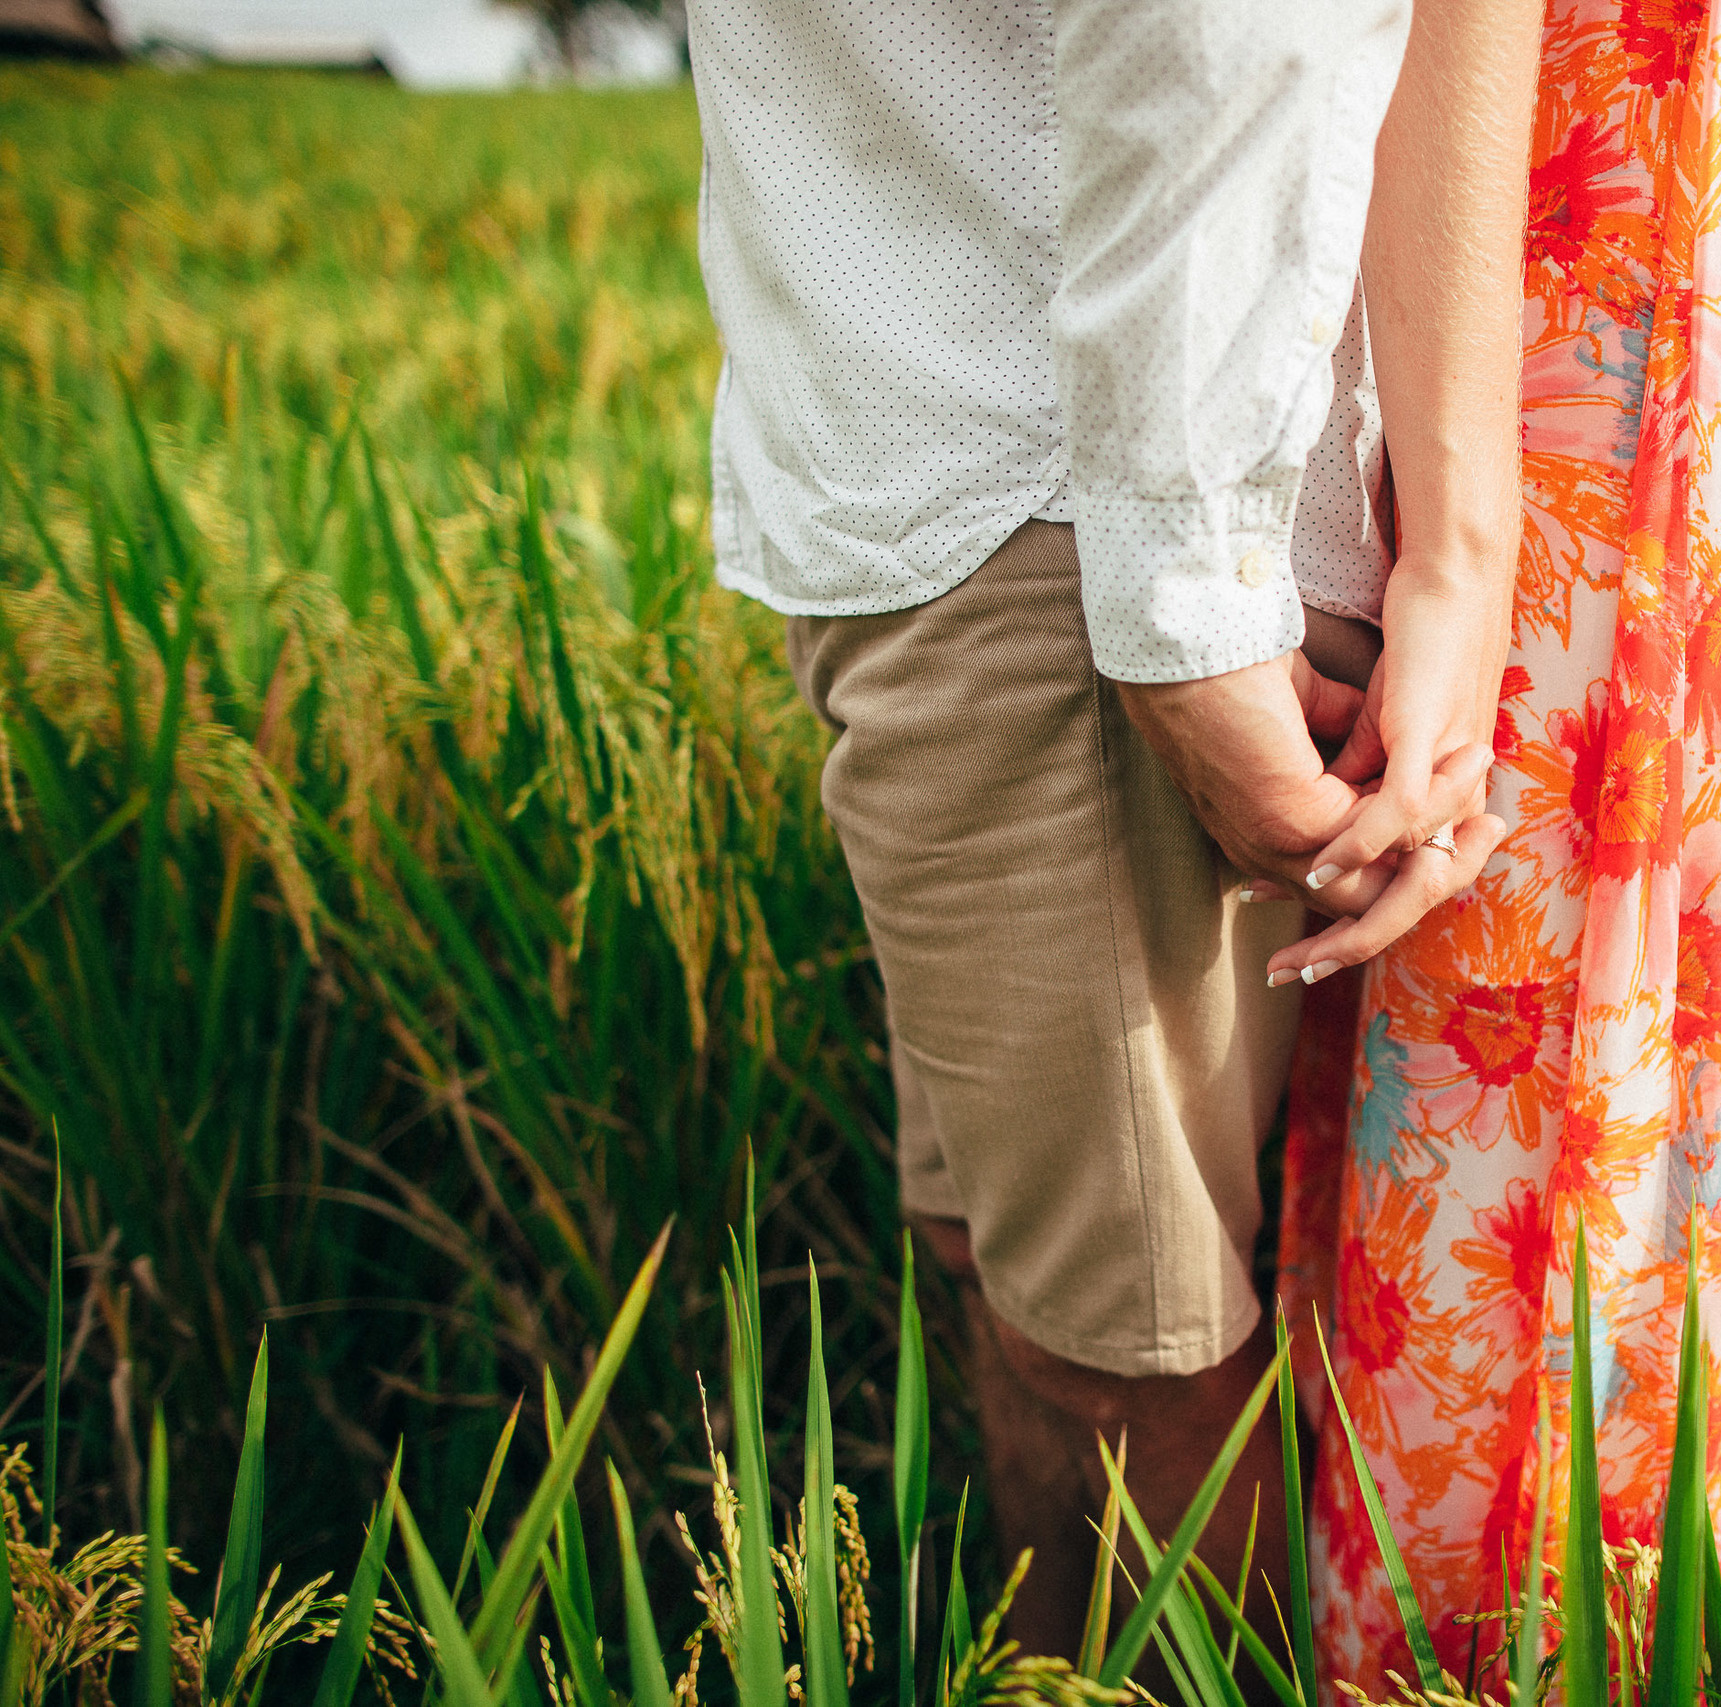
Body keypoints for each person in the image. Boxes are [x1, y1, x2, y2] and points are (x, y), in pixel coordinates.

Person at [685, 0, 1524, 1660]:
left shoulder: (1104, 553)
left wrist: (1181, 601)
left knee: (1127, 1361)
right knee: (1016, 1285)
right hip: (967, 475)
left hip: (1050, 497)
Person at [1268, 0, 1721, 1697]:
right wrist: (1456, 535)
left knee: (1718, 886)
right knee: (1539, 904)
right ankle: (1528, 1615)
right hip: (1622, 209)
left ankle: (1632, 1596)